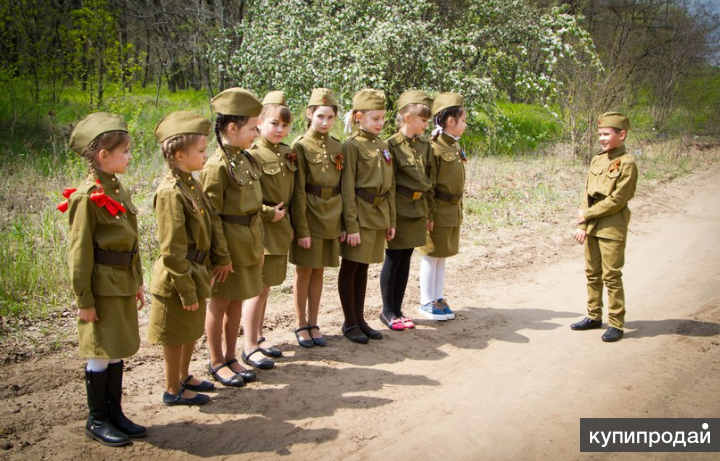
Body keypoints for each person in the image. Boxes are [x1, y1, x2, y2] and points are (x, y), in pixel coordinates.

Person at [60, 112, 146, 446]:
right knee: (100, 350)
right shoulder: (86, 197)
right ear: (103, 156)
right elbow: (79, 254)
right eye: (124, 151)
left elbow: (132, 241)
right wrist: (84, 300)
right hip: (100, 286)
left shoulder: (116, 187)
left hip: (121, 283)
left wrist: (137, 281)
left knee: (116, 348)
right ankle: (97, 419)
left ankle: (115, 413)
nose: (129, 156)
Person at [148, 111, 232, 405]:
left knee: (188, 331)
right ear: (180, 155)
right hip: (177, 277)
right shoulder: (172, 192)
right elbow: (172, 250)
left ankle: (183, 377)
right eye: (199, 150)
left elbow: (209, 224)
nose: (205, 153)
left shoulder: (190, 184)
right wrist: (185, 289)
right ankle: (172, 389)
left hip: (195, 269)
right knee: (175, 335)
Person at [200, 88, 274, 381]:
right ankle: (216, 361)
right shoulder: (216, 166)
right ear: (232, 128)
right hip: (227, 246)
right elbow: (212, 217)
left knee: (237, 301)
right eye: (252, 128)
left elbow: (254, 208)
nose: (256, 133)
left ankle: (232, 356)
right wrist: (221, 255)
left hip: (249, 241)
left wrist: (259, 246)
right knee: (220, 303)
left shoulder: (246, 159)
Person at [571, 112, 637, 343]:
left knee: (611, 276)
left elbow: (617, 200)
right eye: (600, 134)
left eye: (606, 134)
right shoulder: (598, 160)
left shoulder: (627, 163)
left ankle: (616, 324)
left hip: (612, 226)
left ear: (622, 135)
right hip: (592, 225)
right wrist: (583, 224)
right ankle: (593, 316)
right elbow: (587, 195)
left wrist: (587, 215)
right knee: (592, 274)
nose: (602, 138)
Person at [339, 89, 396, 343]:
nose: (381, 123)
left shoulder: (382, 146)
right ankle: (350, 321)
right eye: (375, 118)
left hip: (377, 214)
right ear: (359, 117)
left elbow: (390, 187)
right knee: (351, 266)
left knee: (363, 268)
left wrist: (391, 221)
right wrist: (351, 225)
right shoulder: (351, 146)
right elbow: (347, 188)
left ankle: (360, 319)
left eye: (383, 118)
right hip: (359, 215)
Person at [289, 88, 344, 348]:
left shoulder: (338, 146)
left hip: (331, 215)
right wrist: (301, 229)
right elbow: (297, 191)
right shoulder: (300, 146)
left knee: (320, 270)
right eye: (320, 116)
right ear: (309, 114)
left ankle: (313, 321)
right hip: (309, 215)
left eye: (330, 117)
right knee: (305, 271)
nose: (325, 122)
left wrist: (343, 223)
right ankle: (300, 323)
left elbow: (343, 188)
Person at [243, 91, 294, 367]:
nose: (280, 129)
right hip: (262, 229)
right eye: (274, 123)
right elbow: (249, 198)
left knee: (267, 288)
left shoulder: (286, 152)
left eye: (285, 125)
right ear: (259, 123)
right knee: (257, 287)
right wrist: (267, 213)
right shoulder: (253, 155)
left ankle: (259, 336)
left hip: (280, 228)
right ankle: (249, 345)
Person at [379, 90, 434, 330]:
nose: (426, 124)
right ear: (408, 116)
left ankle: (399, 309)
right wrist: (390, 219)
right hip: (399, 209)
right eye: (422, 120)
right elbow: (389, 186)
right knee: (393, 258)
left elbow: (429, 181)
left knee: (406, 259)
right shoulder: (391, 145)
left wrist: (429, 214)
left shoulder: (425, 145)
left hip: (417, 209)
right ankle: (387, 311)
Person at [418, 92, 467, 321]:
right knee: (430, 254)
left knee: (443, 253)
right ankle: (426, 301)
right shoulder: (435, 147)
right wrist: (429, 214)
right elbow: (429, 185)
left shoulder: (454, 146)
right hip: (437, 209)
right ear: (450, 121)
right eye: (463, 120)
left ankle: (438, 297)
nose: (465, 124)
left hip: (451, 209)